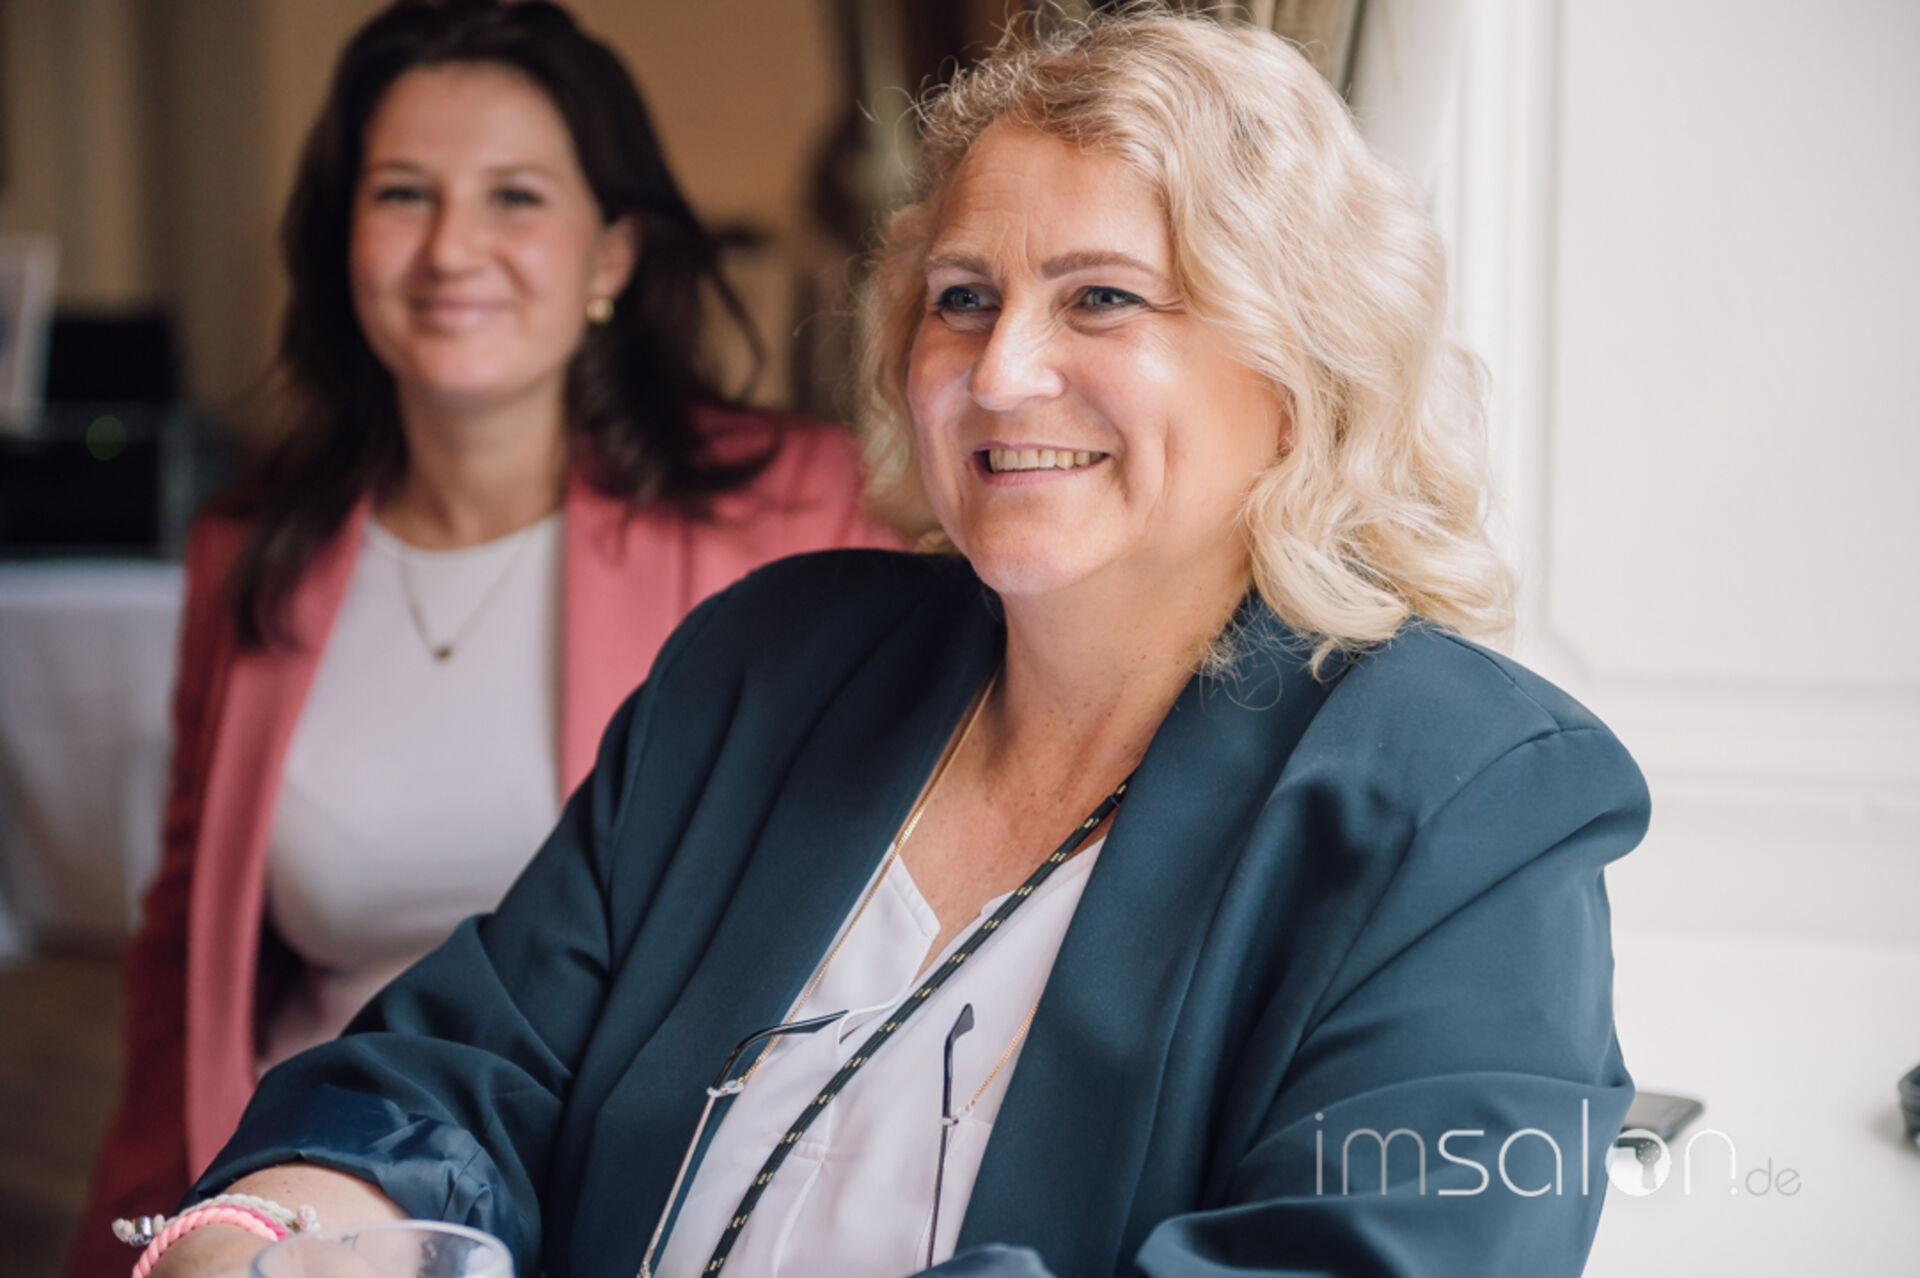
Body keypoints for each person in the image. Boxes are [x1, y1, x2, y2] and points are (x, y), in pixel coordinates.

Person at [135, 9, 1648, 1277]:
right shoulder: (769, 664)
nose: (1001, 371)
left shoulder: (1472, 800)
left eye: (1102, 299)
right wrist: (278, 1228)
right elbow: (467, 1067)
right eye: (962, 299)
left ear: (1303, 366)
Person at [66, 2, 899, 1274]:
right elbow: (183, 978)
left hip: (638, 1202)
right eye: (403, 193)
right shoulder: (253, 550)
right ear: (344, 239)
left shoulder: (804, 509)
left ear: (612, 253)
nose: (452, 247)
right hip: (318, 1203)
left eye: (515, 196)